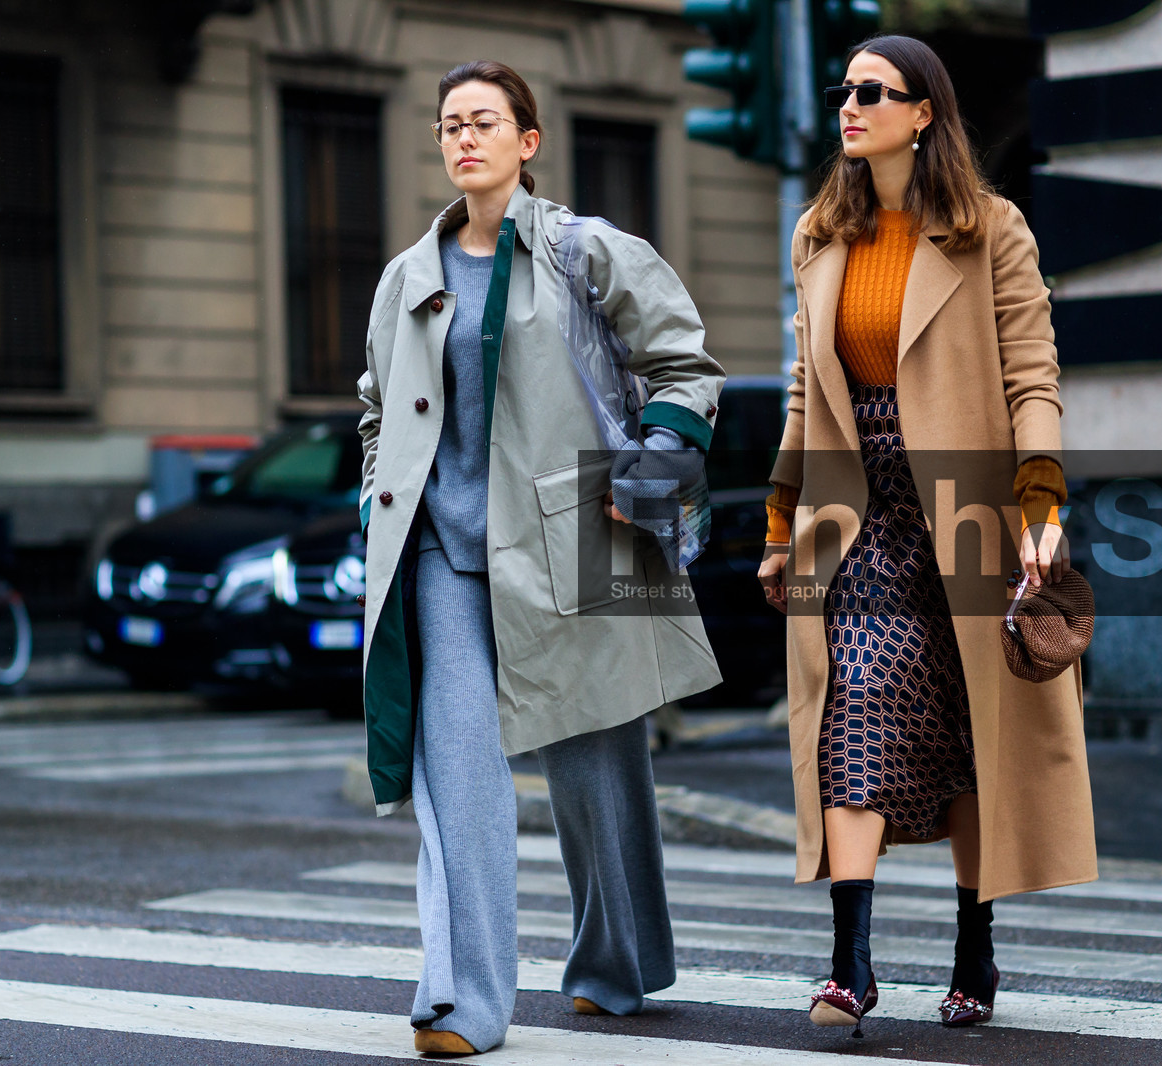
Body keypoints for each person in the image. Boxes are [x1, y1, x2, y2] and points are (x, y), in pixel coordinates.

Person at [355, 60, 726, 1056]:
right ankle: (460, 999)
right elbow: (377, 411)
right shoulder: (408, 278)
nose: (462, 138)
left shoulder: (582, 250)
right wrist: (374, 495)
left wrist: (654, 461)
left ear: (527, 141)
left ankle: (618, 961)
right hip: (443, 554)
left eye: (484, 121)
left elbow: (683, 360)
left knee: (597, 765)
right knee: (456, 775)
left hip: (575, 537)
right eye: (448, 125)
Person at [755, 34, 1098, 1034]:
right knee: (852, 706)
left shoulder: (990, 230)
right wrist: (780, 526)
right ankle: (849, 966)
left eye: (872, 91)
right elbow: (799, 393)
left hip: (966, 510)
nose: (848, 107)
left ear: (923, 113)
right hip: (854, 510)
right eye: (842, 90)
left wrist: (1040, 509)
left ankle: (973, 945)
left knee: (966, 733)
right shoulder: (820, 233)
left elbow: (1033, 376)